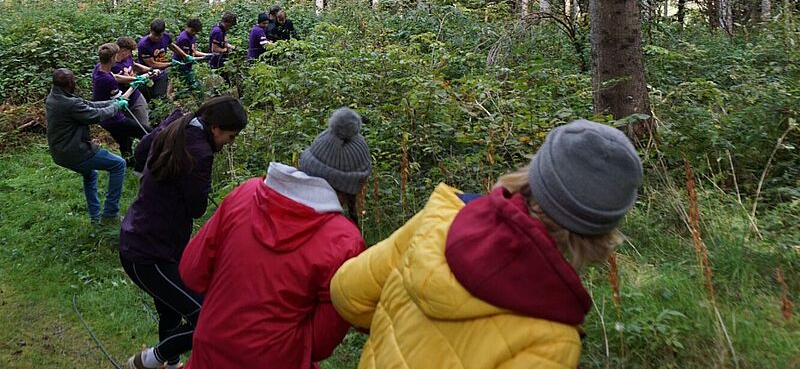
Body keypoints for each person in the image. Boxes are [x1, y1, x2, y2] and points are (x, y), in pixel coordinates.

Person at [331, 119, 644, 369]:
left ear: (532, 174)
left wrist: (397, 326)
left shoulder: (445, 214)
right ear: (603, 232)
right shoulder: (551, 342)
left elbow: (348, 291)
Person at [178, 107, 372, 369]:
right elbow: (320, 344)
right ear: (353, 186)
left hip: (211, 349)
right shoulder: (344, 241)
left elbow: (191, 271)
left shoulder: (245, 194)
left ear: (307, 162)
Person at [121, 96, 248, 369]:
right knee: (207, 318)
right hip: (147, 253)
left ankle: (172, 362)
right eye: (230, 135)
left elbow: (141, 155)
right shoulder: (200, 152)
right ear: (215, 128)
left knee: (171, 310)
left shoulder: (177, 123)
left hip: (150, 238)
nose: (229, 143)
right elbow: (196, 207)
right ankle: (146, 362)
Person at [45, 67, 139, 224]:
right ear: (69, 83)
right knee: (118, 164)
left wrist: (114, 101)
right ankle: (110, 214)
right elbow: (96, 115)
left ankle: (96, 218)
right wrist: (117, 107)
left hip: (59, 152)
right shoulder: (68, 103)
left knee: (90, 174)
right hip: (74, 151)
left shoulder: (55, 96)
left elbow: (88, 104)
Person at [93, 42, 150, 160]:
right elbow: (121, 100)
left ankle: (128, 164)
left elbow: (116, 76)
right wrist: (134, 85)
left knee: (125, 143)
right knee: (147, 133)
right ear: (113, 58)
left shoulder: (98, 68)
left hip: (104, 118)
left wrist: (135, 78)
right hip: (114, 119)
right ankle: (145, 161)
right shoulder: (107, 80)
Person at [138, 19, 188, 99]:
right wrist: (170, 64)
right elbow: (152, 64)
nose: (157, 38)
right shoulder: (143, 44)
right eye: (154, 35)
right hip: (147, 74)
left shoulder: (166, 36)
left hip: (160, 73)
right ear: (150, 31)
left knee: (160, 96)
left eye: (159, 35)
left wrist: (185, 55)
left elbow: (172, 46)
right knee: (149, 98)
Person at [112, 36, 154, 125]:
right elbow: (116, 79)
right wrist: (139, 78)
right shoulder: (112, 64)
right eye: (129, 51)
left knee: (144, 123)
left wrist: (150, 70)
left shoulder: (127, 57)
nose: (131, 54)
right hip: (121, 99)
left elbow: (134, 65)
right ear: (123, 51)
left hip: (135, 96)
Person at [174, 18, 211, 95]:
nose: (194, 33)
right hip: (182, 65)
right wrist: (202, 58)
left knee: (190, 88)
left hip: (188, 65)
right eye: (192, 30)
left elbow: (194, 51)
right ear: (188, 27)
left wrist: (207, 55)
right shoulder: (184, 38)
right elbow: (186, 57)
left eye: (196, 31)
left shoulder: (192, 37)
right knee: (193, 88)